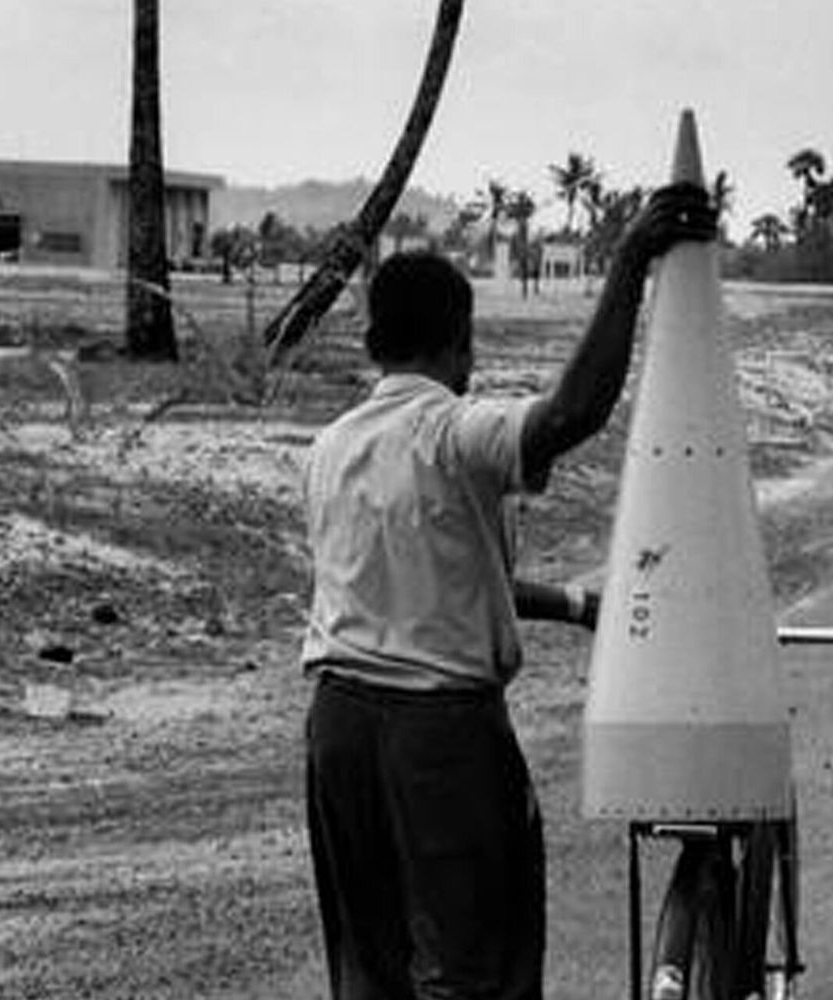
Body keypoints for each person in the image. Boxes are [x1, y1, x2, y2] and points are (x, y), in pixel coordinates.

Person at [299, 183, 716, 1000]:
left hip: (338, 731)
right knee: (472, 970)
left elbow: (434, 582)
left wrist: (573, 604)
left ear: (376, 340)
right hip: (442, 735)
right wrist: (631, 259)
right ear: (461, 343)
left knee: (368, 968)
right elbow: (573, 413)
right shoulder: (454, 430)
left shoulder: (331, 448)